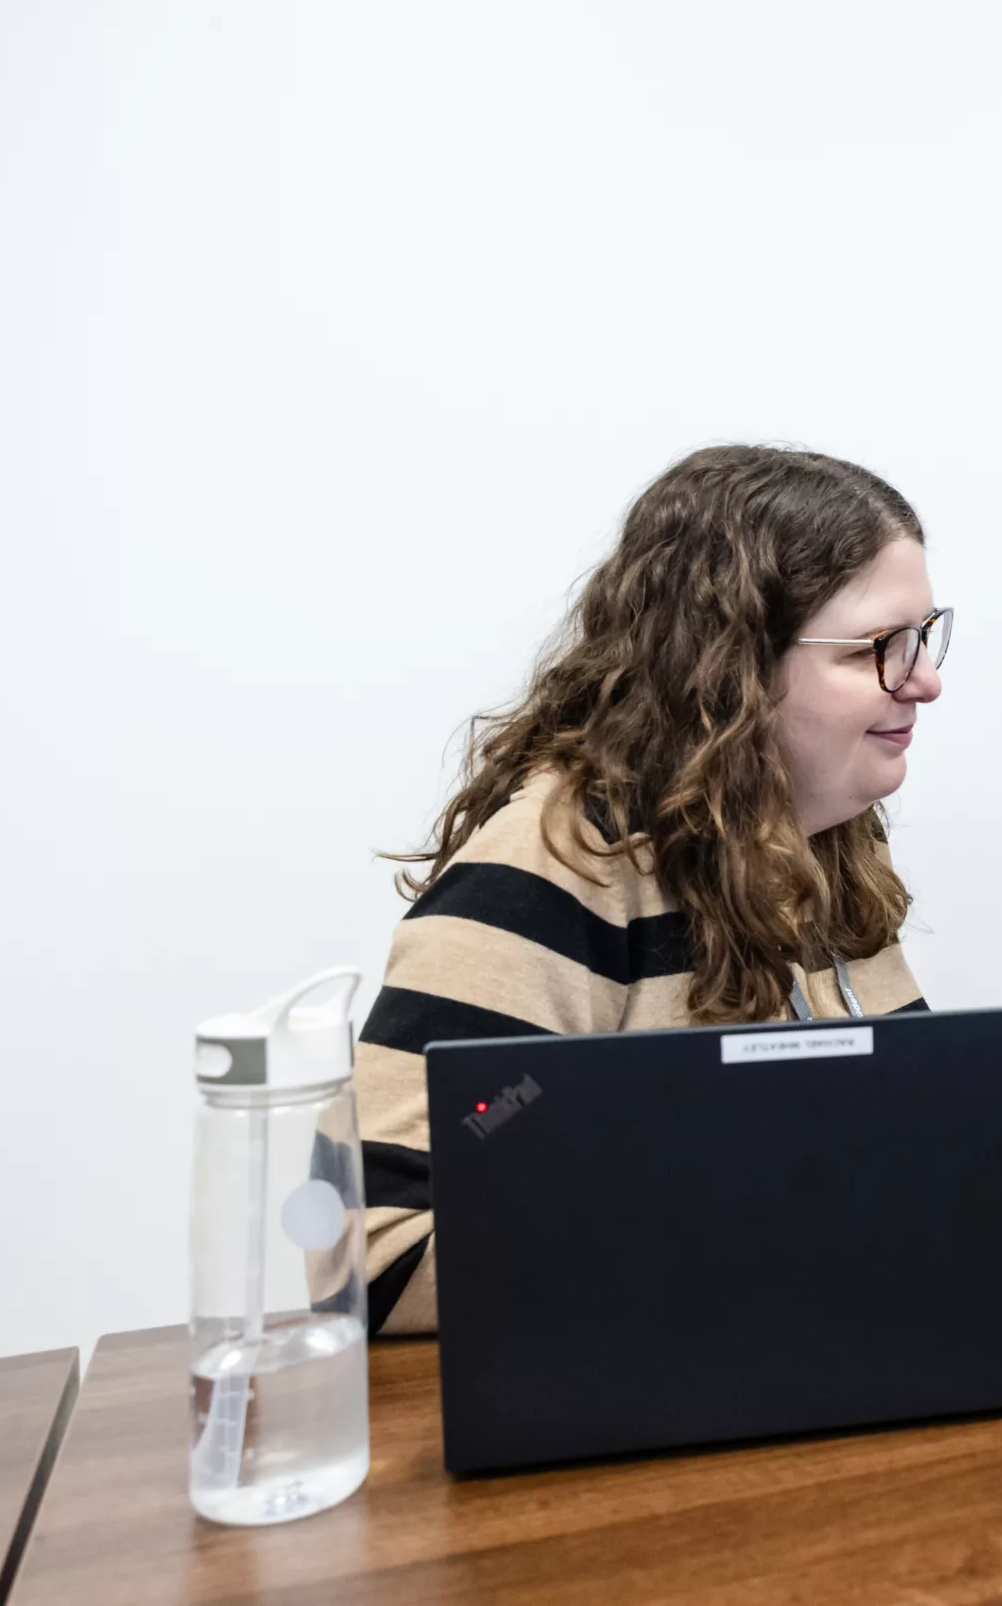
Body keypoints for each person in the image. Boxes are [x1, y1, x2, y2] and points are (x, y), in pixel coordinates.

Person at [356, 446, 951, 1334]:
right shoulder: (556, 862)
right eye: (878, 649)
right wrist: (746, 1235)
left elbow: (904, 1148)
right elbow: (374, 1249)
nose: (926, 681)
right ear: (733, 664)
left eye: (923, 637)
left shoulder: (823, 848)